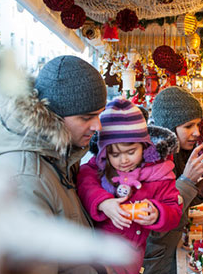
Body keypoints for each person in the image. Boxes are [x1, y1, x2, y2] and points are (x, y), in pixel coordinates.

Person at [0, 55, 107, 274]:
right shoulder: (25, 176)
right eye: (86, 117)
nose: (97, 126)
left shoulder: (60, 156)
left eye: (99, 115)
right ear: (53, 116)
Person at [76, 98, 182, 274]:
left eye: (131, 152)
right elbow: (85, 183)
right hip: (97, 255)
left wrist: (157, 213)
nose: (123, 160)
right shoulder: (98, 168)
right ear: (104, 153)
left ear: (144, 146)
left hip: (132, 258)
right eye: (115, 154)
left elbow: (174, 210)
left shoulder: (159, 173)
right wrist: (103, 202)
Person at [143, 86, 203, 274]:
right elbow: (156, 217)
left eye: (197, 125)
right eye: (188, 126)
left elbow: (175, 205)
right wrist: (187, 181)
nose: (197, 132)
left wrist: (197, 192)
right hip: (156, 258)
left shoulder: (177, 155)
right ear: (169, 127)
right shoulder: (150, 161)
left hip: (170, 249)